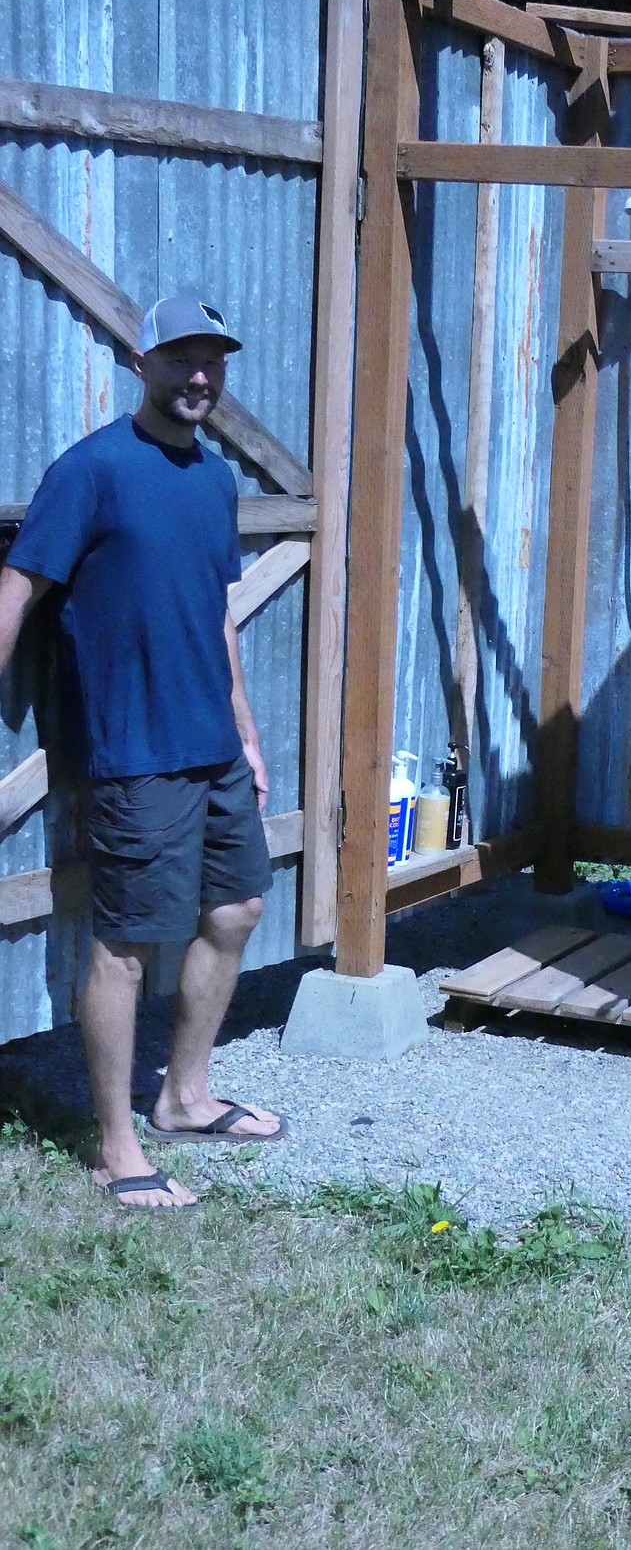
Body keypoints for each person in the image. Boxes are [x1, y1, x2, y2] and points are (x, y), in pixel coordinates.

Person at [0, 295, 285, 1210]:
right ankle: (115, 1145)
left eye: (213, 361)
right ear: (141, 361)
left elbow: (216, 616)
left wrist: (245, 728)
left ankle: (184, 1096)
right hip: (134, 752)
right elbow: (17, 589)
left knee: (237, 907)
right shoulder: (91, 471)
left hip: (212, 747)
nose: (199, 376)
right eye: (180, 359)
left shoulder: (213, 479)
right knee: (124, 947)